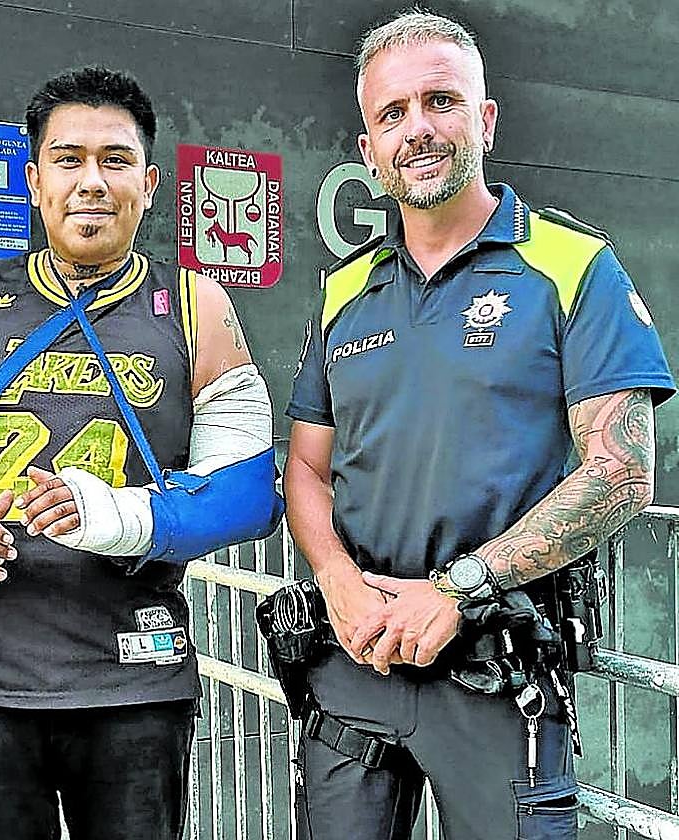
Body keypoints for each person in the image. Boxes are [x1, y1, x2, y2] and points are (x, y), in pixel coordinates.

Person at [0, 67, 282, 840]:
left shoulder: (195, 304)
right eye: (68, 158)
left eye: (115, 160)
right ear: (34, 179)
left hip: (134, 682)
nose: (92, 181)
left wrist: (121, 516)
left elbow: (251, 490)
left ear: (150, 184)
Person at [284, 10, 674, 840]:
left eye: (441, 101)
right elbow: (307, 469)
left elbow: (623, 472)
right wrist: (340, 586)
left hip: (496, 670)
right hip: (354, 660)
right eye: (392, 114)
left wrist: (459, 590)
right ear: (368, 151)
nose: (416, 128)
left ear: (485, 119)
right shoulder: (342, 290)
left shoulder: (573, 267)